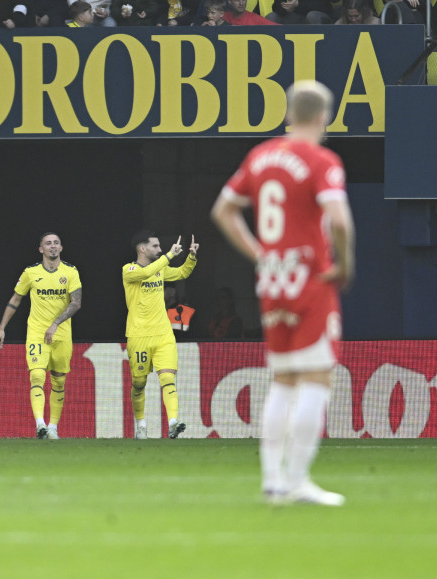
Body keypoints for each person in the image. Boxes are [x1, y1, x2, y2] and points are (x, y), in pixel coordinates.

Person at [212, 80, 355, 507]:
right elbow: (340, 220)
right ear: (323, 117)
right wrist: (344, 266)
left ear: (290, 114)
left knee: (283, 380)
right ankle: (297, 480)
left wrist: (259, 253)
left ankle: (273, 480)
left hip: (272, 281)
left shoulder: (260, 156)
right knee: (317, 377)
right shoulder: (321, 160)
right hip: (310, 277)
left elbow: (223, 211)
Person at [0, 233, 82, 440]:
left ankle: (53, 427)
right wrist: (2, 327)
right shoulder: (30, 273)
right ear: (41, 249)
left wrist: (55, 324)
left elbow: (76, 303)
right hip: (36, 333)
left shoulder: (70, 272)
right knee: (37, 376)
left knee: (59, 382)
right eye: (48, 243)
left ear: (61, 248)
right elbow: (16, 299)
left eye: (56, 243)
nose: (53, 246)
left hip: (61, 335)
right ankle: (40, 424)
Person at [123, 232, 198, 440]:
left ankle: (173, 422)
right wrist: (169, 256)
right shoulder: (129, 270)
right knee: (139, 383)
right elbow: (147, 273)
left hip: (163, 335)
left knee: (168, 378)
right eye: (155, 246)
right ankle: (141, 424)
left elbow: (182, 273)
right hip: (139, 336)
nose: (159, 250)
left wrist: (191, 256)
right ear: (142, 249)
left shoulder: (161, 268)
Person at [266, 0, 333, 23]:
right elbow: (276, 6)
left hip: (320, 16)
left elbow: (322, 6)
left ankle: (320, 46)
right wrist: (286, 7)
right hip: (295, 16)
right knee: (272, 17)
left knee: (312, 16)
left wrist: (298, 4)